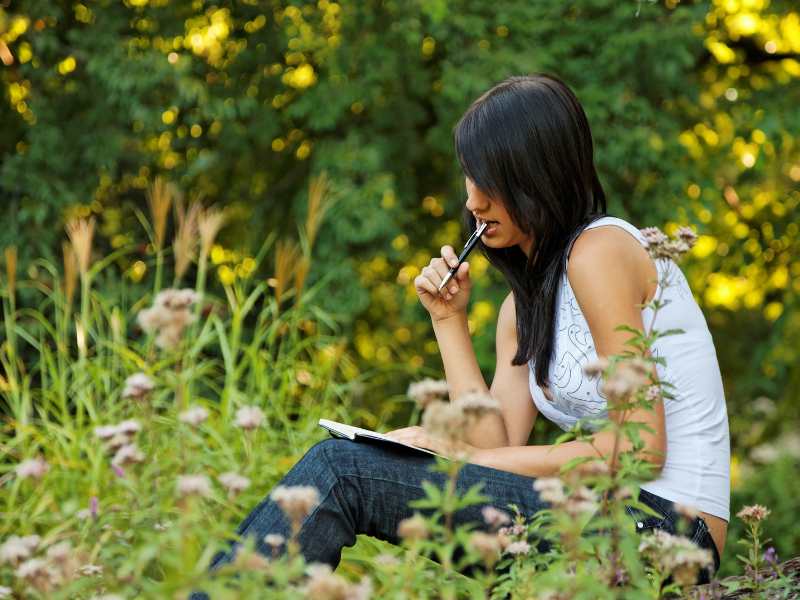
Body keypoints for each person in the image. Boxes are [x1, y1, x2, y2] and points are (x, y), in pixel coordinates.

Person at [190, 73, 729, 596]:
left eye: (488, 181)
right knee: (350, 465)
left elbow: (639, 449)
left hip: (668, 535)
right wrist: (447, 321)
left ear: (535, 175)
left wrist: (454, 453)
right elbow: (494, 446)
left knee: (340, 470)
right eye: (469, 179)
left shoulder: (601, 252)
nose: (472, 201)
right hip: (597, 518)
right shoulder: (525, 306)